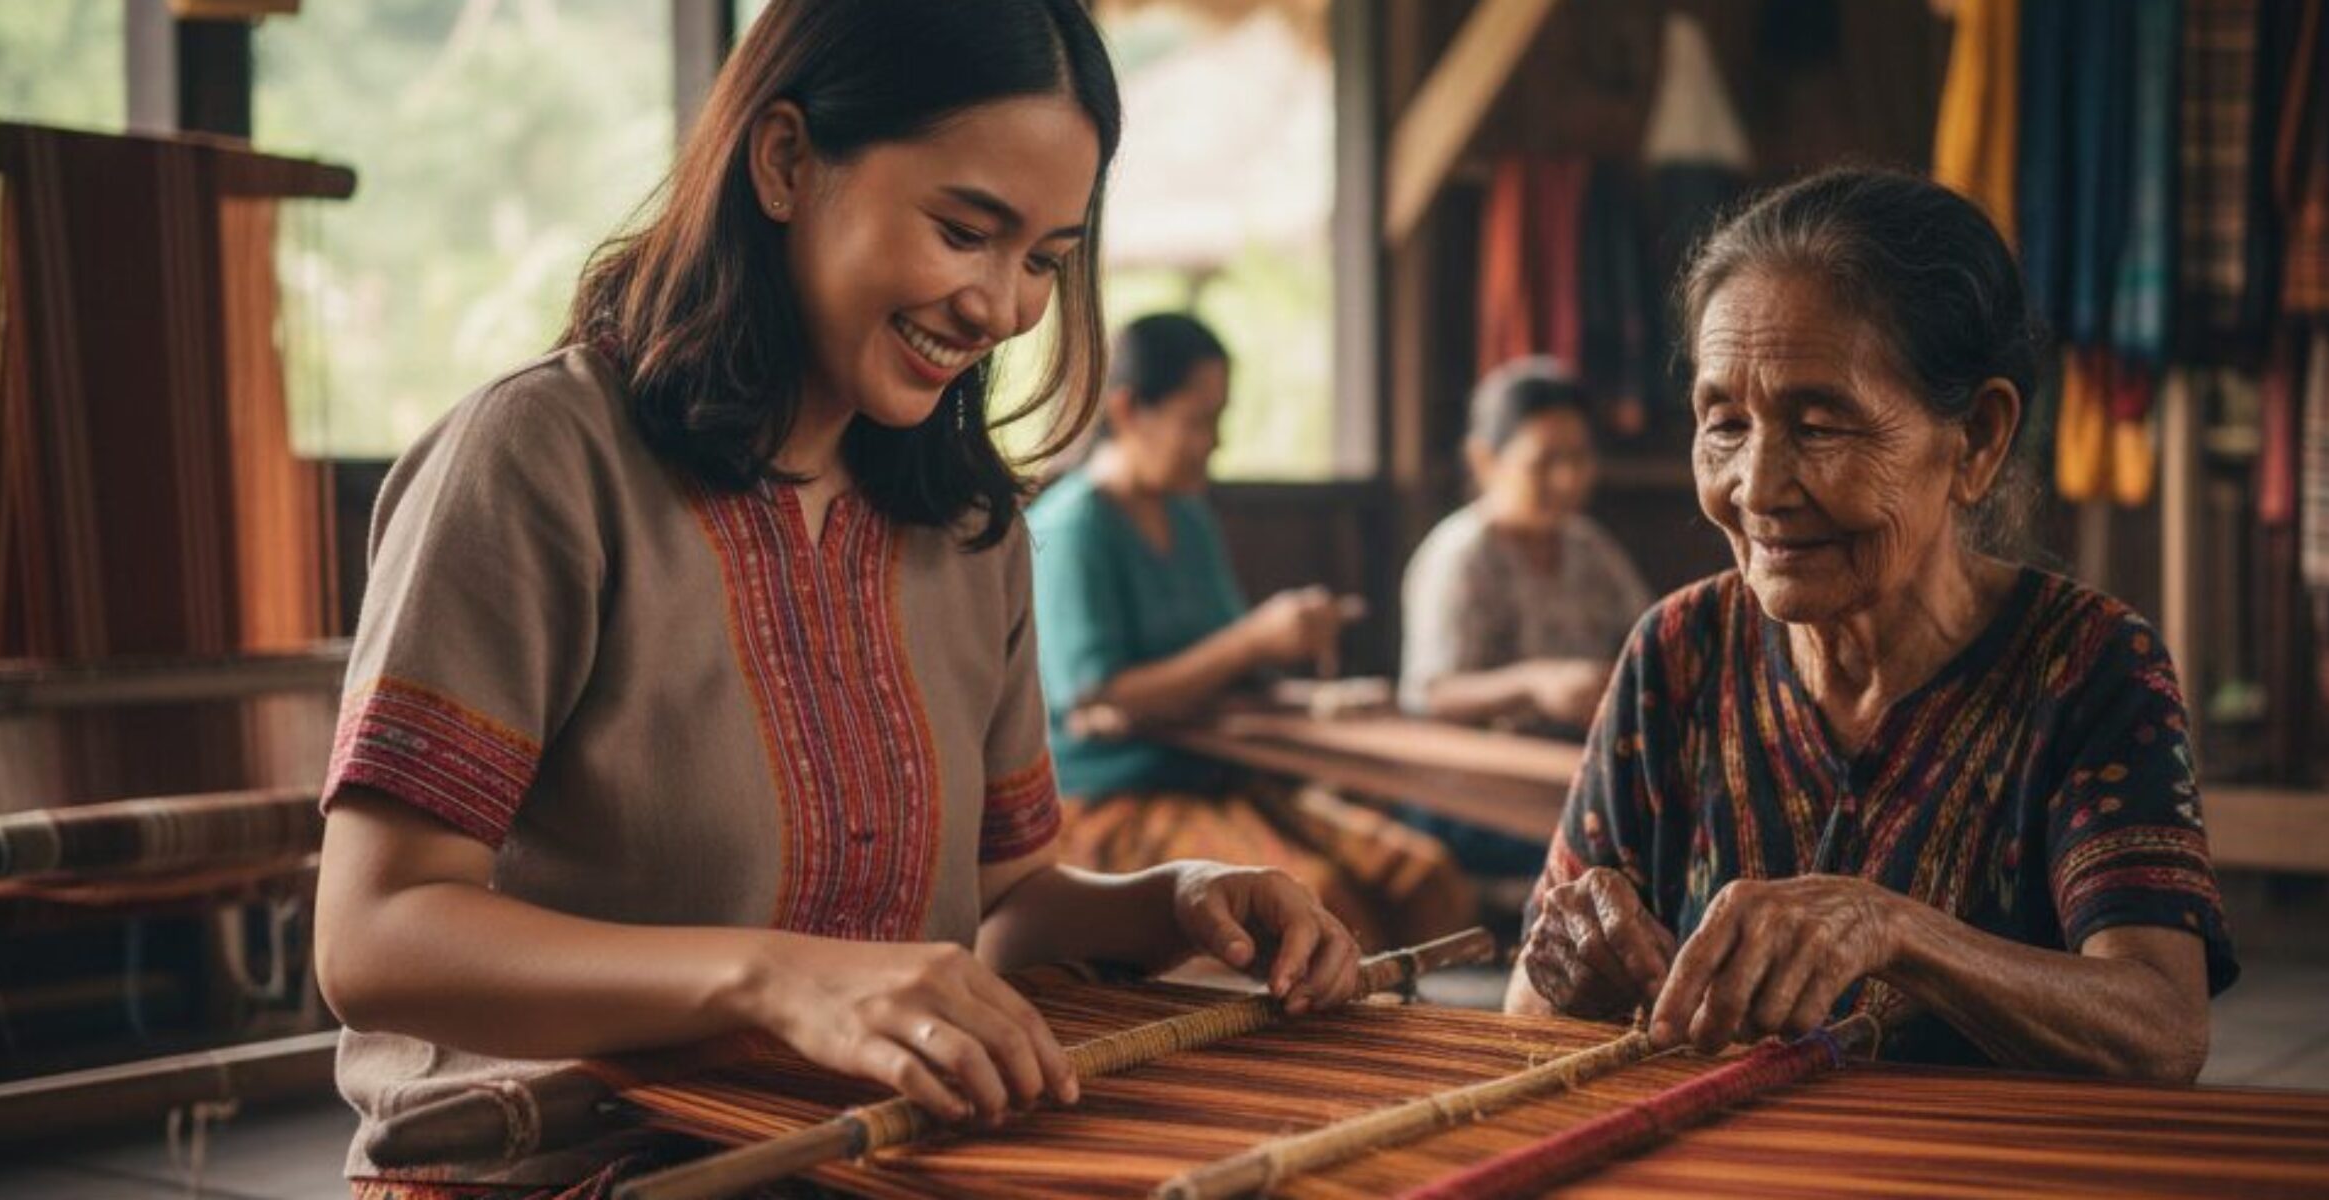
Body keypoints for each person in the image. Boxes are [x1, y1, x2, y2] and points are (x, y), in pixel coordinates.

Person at [312, 6, 1363, 1196]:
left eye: (1044, 261)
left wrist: (1175, 903)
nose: (1002, 307)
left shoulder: (968, 530)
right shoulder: (541, 461)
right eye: (966, 231)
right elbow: (376, 937)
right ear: (784, 162)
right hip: (566, 1165)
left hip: (863, 1156)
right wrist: (776, 977)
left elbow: (1002, 912)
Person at [1509, 169, 2236, 1077]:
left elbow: (2163, 1030)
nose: (1758, 489)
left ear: (1975, 439)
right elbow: (1528, 1011)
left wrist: (1895, 931)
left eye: (1820, 427)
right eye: (1724, 424)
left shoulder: (2087, 666)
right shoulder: (1677, 652)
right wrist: (1578, 969)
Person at [1029, 313, 1475, 948]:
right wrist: (1257, 638)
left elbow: (1234, 668)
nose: (1215, 441)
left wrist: (1313, 691)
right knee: (1321, 901)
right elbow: (1100, 697)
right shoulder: (1074, 530)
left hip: (1220, 779)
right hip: (1115, 800)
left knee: (1423, 877)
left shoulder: (1187, 515)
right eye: (1198, 420)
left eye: (1220, 419)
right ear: (1129, 411)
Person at [1396, 359, 1653, 884]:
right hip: (1473, 791)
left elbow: (1647, 639)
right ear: (1485, 460)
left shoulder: (1587, 546)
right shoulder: (1463, 553)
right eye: (1545, 461)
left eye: (1579, 458)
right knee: (1614, 855)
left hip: (1568, 774)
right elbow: (1428, 694)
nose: (1568, 479)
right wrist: (1535, 685)